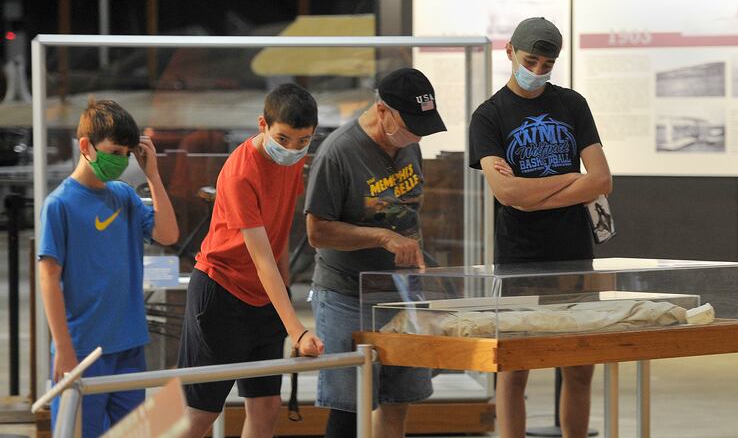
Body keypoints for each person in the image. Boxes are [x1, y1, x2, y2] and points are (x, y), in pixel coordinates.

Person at [468, 17, 613, 438]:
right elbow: (506, 193)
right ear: (509, 52)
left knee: (579, 365)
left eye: (547, 65)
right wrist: (571, 179)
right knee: (514, 368)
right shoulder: (489, 116)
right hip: (520, 256)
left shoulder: (572, 104)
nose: (537, 71)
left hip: (574, 252)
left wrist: (529, 193)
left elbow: (602, 180)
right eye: (530, 61)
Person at [304, 68, 447, 438]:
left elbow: (409, 209)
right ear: (382, 110)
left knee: (400, 399)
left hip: (403, 291)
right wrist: (382, 237)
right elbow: (317, 232)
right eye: (411, 126)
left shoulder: (409, 143)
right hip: (347, 292)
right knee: (349, 406)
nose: (417, 136)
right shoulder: (338, 152)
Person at [177, 83, 324, 438]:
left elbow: (278, 236)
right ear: (263, 124)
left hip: (266, 295)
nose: (292, 149)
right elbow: (261, 259)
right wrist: (297, 329)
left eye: (303, 141)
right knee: (199, 414)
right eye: (283, 138)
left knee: (266, 406)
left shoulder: (293, 159)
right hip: (221, 292)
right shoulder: (241, 172)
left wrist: (283, 298)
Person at [39, 99, 179, 435]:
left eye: (126, 154)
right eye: (114, 152)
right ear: (86, 146)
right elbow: (48, 279)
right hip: (83, 350)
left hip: (129, 346)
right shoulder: (59, 204)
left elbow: (168, 234)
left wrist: (153, 176)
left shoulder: (124, 196)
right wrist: (64, 348)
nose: (120, 160)